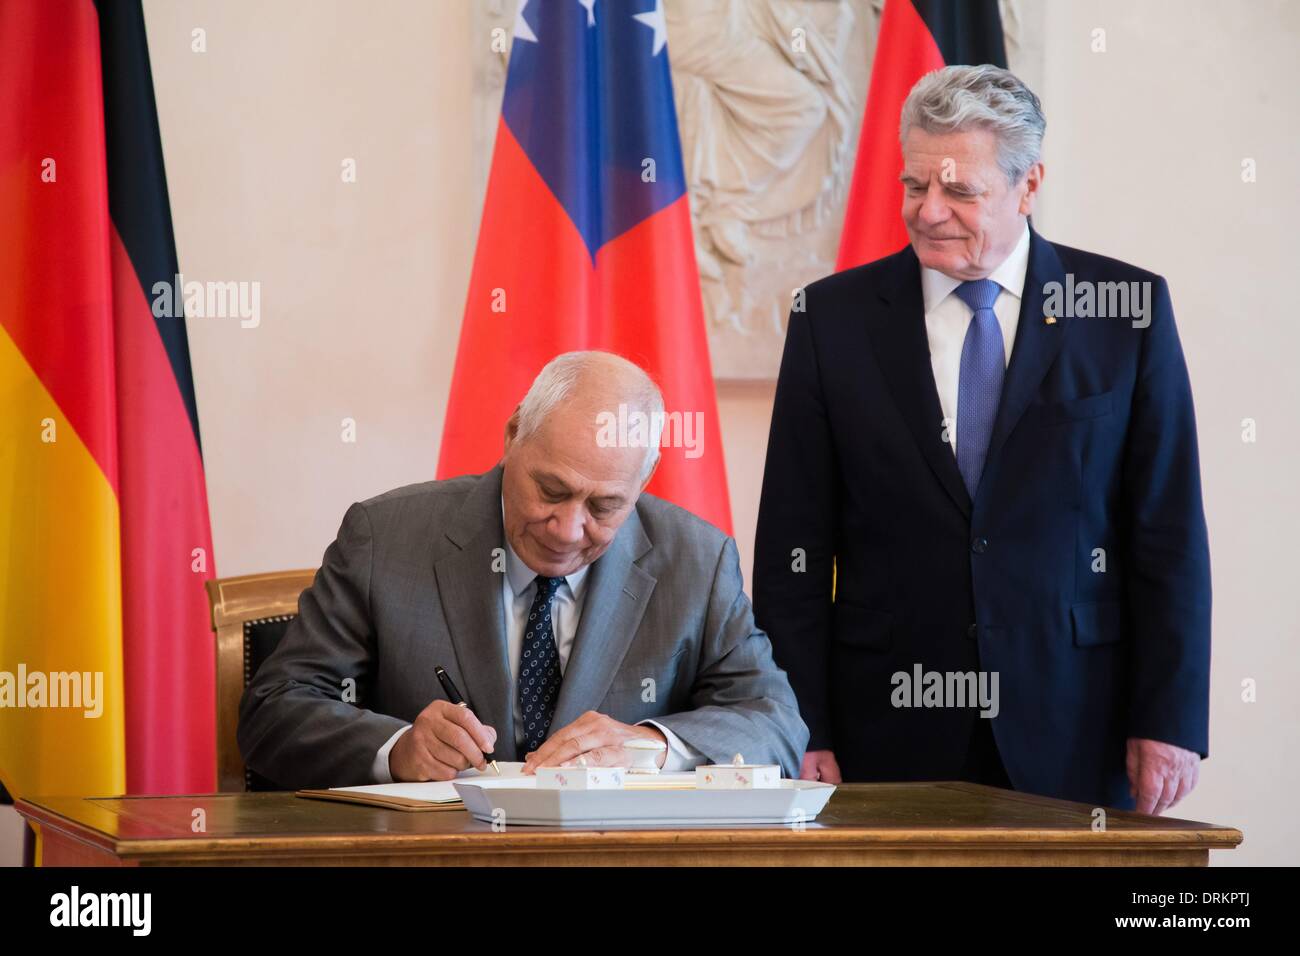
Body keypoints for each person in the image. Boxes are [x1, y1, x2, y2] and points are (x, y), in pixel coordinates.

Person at [753, 64, 1210, 813]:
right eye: (914, 186)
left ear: (1029, 185)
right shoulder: (829, 320)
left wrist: (1168, 719)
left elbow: (1168, 535)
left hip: (1075, 721)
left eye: (960, 190)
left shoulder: (1125, 312)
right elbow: (790, 554)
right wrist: (797, 724)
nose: (929, 211)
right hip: (883, 728)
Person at [240, 351, 807, 787]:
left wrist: (651, 747)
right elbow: (275, 711)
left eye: (604, 506)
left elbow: (775, 723)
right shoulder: (384, 538)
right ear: (513, 436)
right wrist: (397, 748)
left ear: (644, 481)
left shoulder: (697, 560)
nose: (567, 528)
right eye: (551, 490)